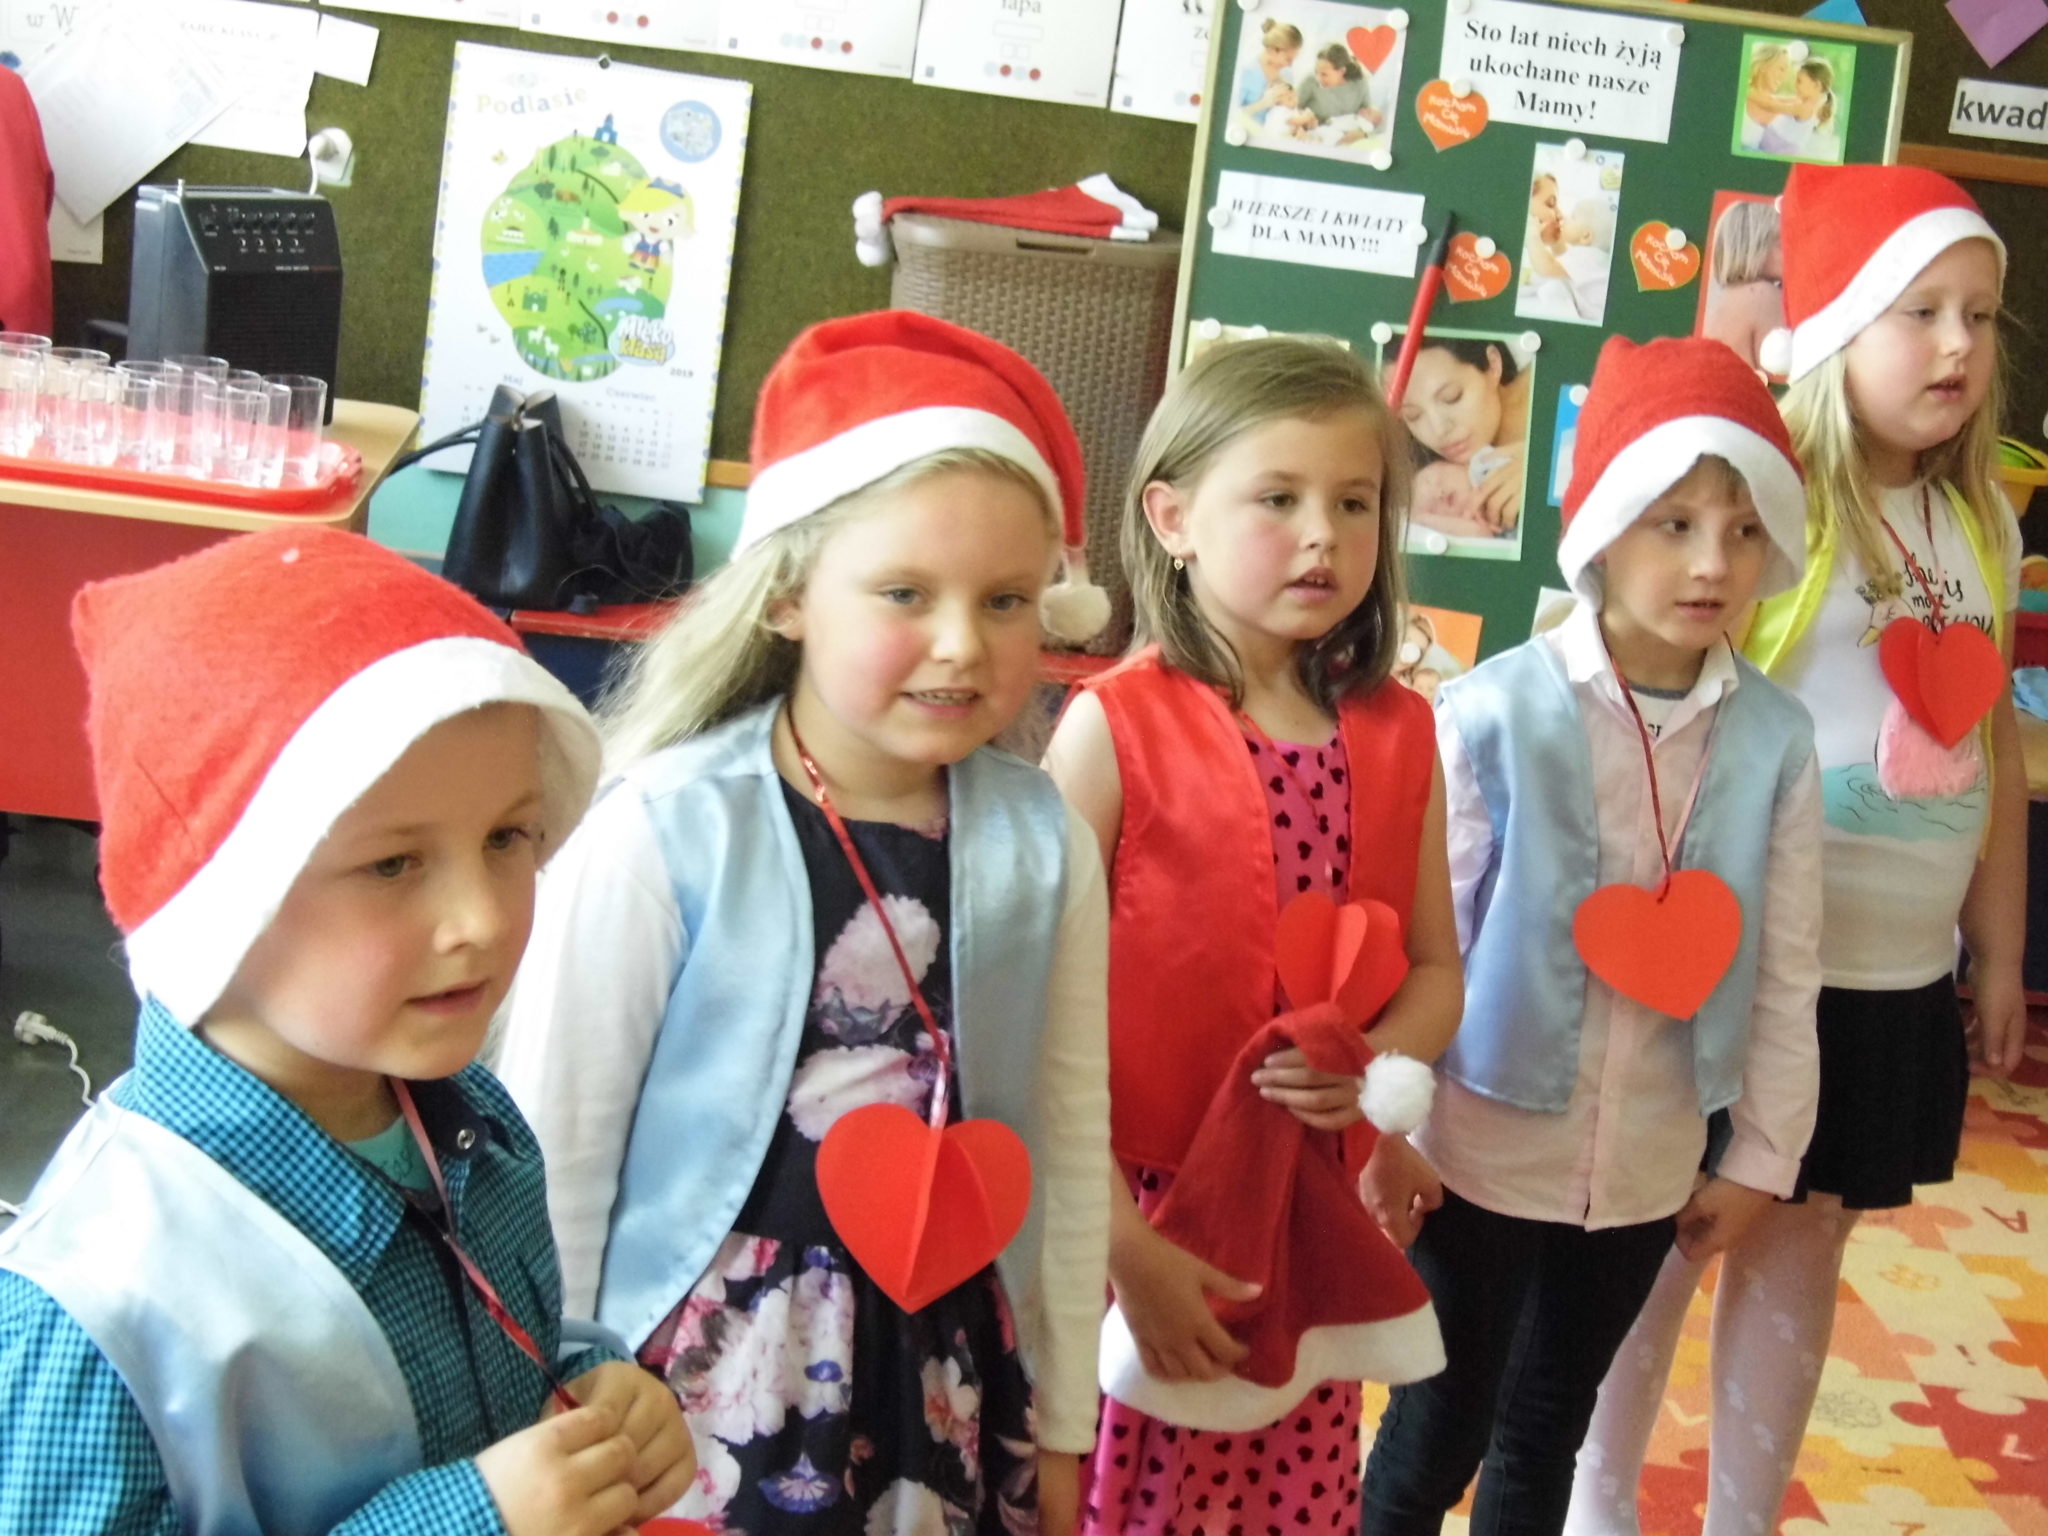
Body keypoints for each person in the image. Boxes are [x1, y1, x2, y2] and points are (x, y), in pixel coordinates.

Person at [495, 310, 1113, 1535]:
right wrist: (543, 1418)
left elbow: (1066, 1137)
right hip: (692, 1388)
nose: (961, 644)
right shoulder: (665, 830)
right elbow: (550, 1154)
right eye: (904, 592)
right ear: (786, 594)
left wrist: (1062, 1425)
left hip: (949, 1376)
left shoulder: (1044, 845)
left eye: (1005, 600)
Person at [0, 529, 695, 1533]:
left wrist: (589, 1387)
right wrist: (469, 1519)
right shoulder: (99, 1308)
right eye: (392, 864)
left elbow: (491, 1356)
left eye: (507, 836)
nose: (482, 919)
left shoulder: (472, 1126)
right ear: (221, 898)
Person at [1567, 164, 2028, 1536]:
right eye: (1918, 311)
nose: (1956, 345)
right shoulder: (1773, 516)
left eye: (1980, 316)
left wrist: (1998, 945)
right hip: (1742, 972)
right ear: (1833, 331)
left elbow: (1993, 751)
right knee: (1662, 1248)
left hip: (1891, 979)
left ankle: (1742, 1517)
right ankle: (1594, 1510)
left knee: (1804, 1247)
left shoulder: (1984, 520)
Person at [1360, 335, 1825, 1536]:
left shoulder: (1774, 741)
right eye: (1673, 524)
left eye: (1741, 529)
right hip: (1474, 1155)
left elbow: (1785, 970)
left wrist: (1759, 1158)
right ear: (1606, 529)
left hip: (1645, 1169)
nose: (1711, 562)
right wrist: (1386, 1130)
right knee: (1434, 1432)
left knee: (1545, 1436)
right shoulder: (1489, 714)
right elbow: (1420, 944)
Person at [1045, 335, 1463, 1536]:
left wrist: (1374, 1080)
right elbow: (1030, 1013)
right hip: (1134, 1220)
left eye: (1353, 502)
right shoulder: (1110, 730)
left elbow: (1433, 972)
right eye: (1276, 499)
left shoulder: (1398, 734)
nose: (1321, 536)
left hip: (1297, 1221)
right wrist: (1122, 1246)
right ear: (1173, 517)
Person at [1399, 338, 1531, 530]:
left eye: (1451, 397)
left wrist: (1548, 471)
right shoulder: (1425, 481)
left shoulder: (1558, 386)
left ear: (1493, 364)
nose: (1439, 430)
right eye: (1413, 415)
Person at [1701, 199, 1785, 375]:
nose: (1790, 251)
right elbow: (1786, 371)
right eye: (1780, 243)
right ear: (1754, 247)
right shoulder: (1763, 294)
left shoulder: (1726, 300)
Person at [1758, 58, 1838, 160]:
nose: (1795, 84)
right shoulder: (1805, 102)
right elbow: (1775, 99)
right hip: (1773, 147)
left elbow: (1771, 106)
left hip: (1777, 150)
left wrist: (1751, 95)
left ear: (1816, 85)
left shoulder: (1805, 108)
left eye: (1799, 81)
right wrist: (1760, 95)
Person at [1288, 42, 1378, 133]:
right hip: (1314, 132)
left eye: (1324, 74)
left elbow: (1366, 116)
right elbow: (1290, 108)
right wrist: (1305, 119)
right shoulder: (1310, 81)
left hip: (1346, 133)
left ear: (1341, 71)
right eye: (1316, 71)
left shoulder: (1359, 83)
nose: (1318, 78)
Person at [1236, 18, 1303, 115]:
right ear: (1272, 50)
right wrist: (1263, 103)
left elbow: (1289, 110)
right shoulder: (1246, 72)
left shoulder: (1287, 74)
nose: (1290, 65)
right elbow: (1231, 115)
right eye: (1288, 59)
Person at [1739, 45, 1793, 150]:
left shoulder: (1771, 101)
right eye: (1781, 69)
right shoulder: (1745, 93)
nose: (1783, 78)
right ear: (1764, 66)